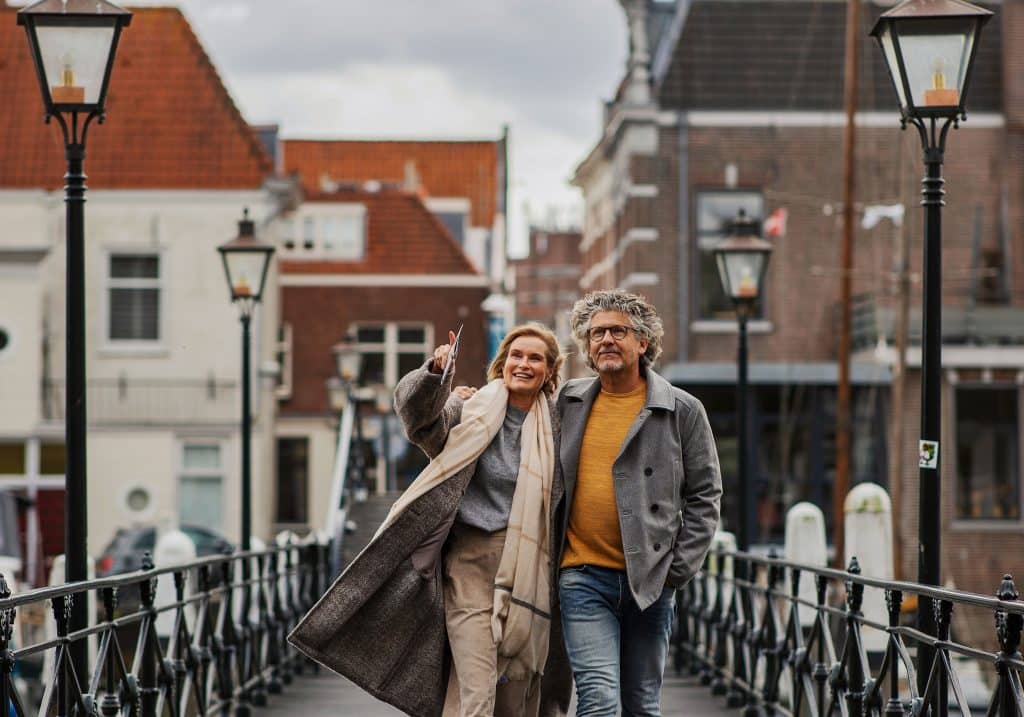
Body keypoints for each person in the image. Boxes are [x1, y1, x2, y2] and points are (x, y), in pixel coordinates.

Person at [289, 323, 572, 717]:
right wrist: (435, 376)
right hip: (470, 564)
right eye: (516, 356)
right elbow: (418, 419)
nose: (523, 364)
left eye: (535, 358)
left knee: (514, 698)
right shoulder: (469, 410)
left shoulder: (559, 429)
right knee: (477, 688)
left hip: (531, 570)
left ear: (550, 371)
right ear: (502, 363)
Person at [556, 290, 723, 716]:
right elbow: (515, 411)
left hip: (650, 581)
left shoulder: (682, 410)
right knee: (598, 699)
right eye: (596, 334)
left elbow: (706, 495)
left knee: (642, 705)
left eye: (618, 331)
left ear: (643, 342)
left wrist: (677, 570)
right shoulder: (568, 403)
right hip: (582, 575)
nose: (606, 340)